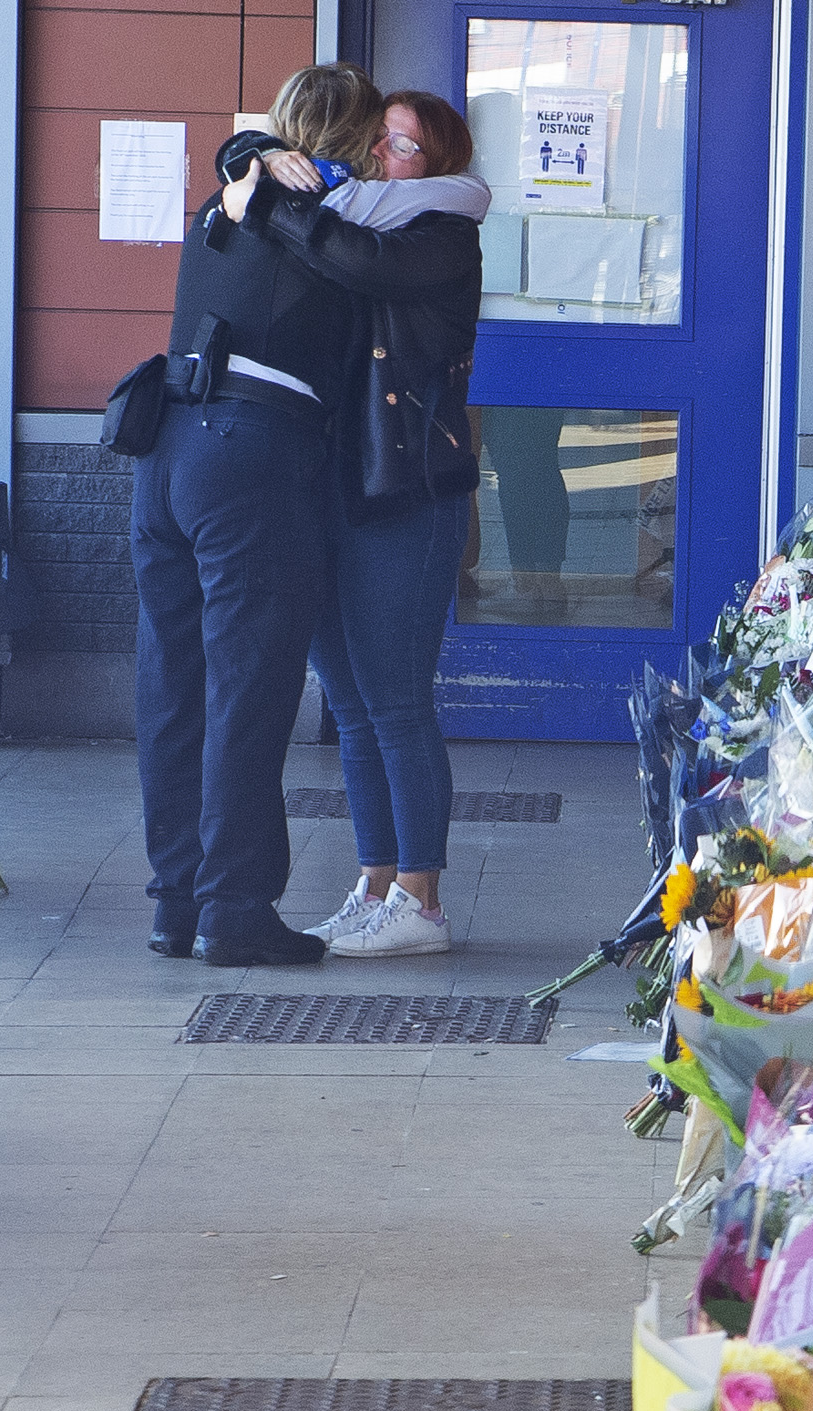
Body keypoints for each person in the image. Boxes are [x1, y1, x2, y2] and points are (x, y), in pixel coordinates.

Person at [128, 66, 385, 967]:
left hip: (166, 448)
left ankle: (175, 903)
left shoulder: (224, 199)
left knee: (174, 683)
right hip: (253, 453)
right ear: (351, 139)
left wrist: (252, 152)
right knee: (248, 688)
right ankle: (233, 908)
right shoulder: (318, 211)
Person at [233, 92, 489, 960]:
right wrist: (254, 152)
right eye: (378, 134)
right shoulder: (341, 203)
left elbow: (358, 262)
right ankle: (374, 881)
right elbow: (251, 153)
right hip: (337, 487)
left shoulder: (440, 232)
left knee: (395, 698)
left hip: (409, 493)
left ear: (440, 162)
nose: (384, 151)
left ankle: (423, 899)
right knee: (347, 701)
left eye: (407, 145)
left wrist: (266, 192)